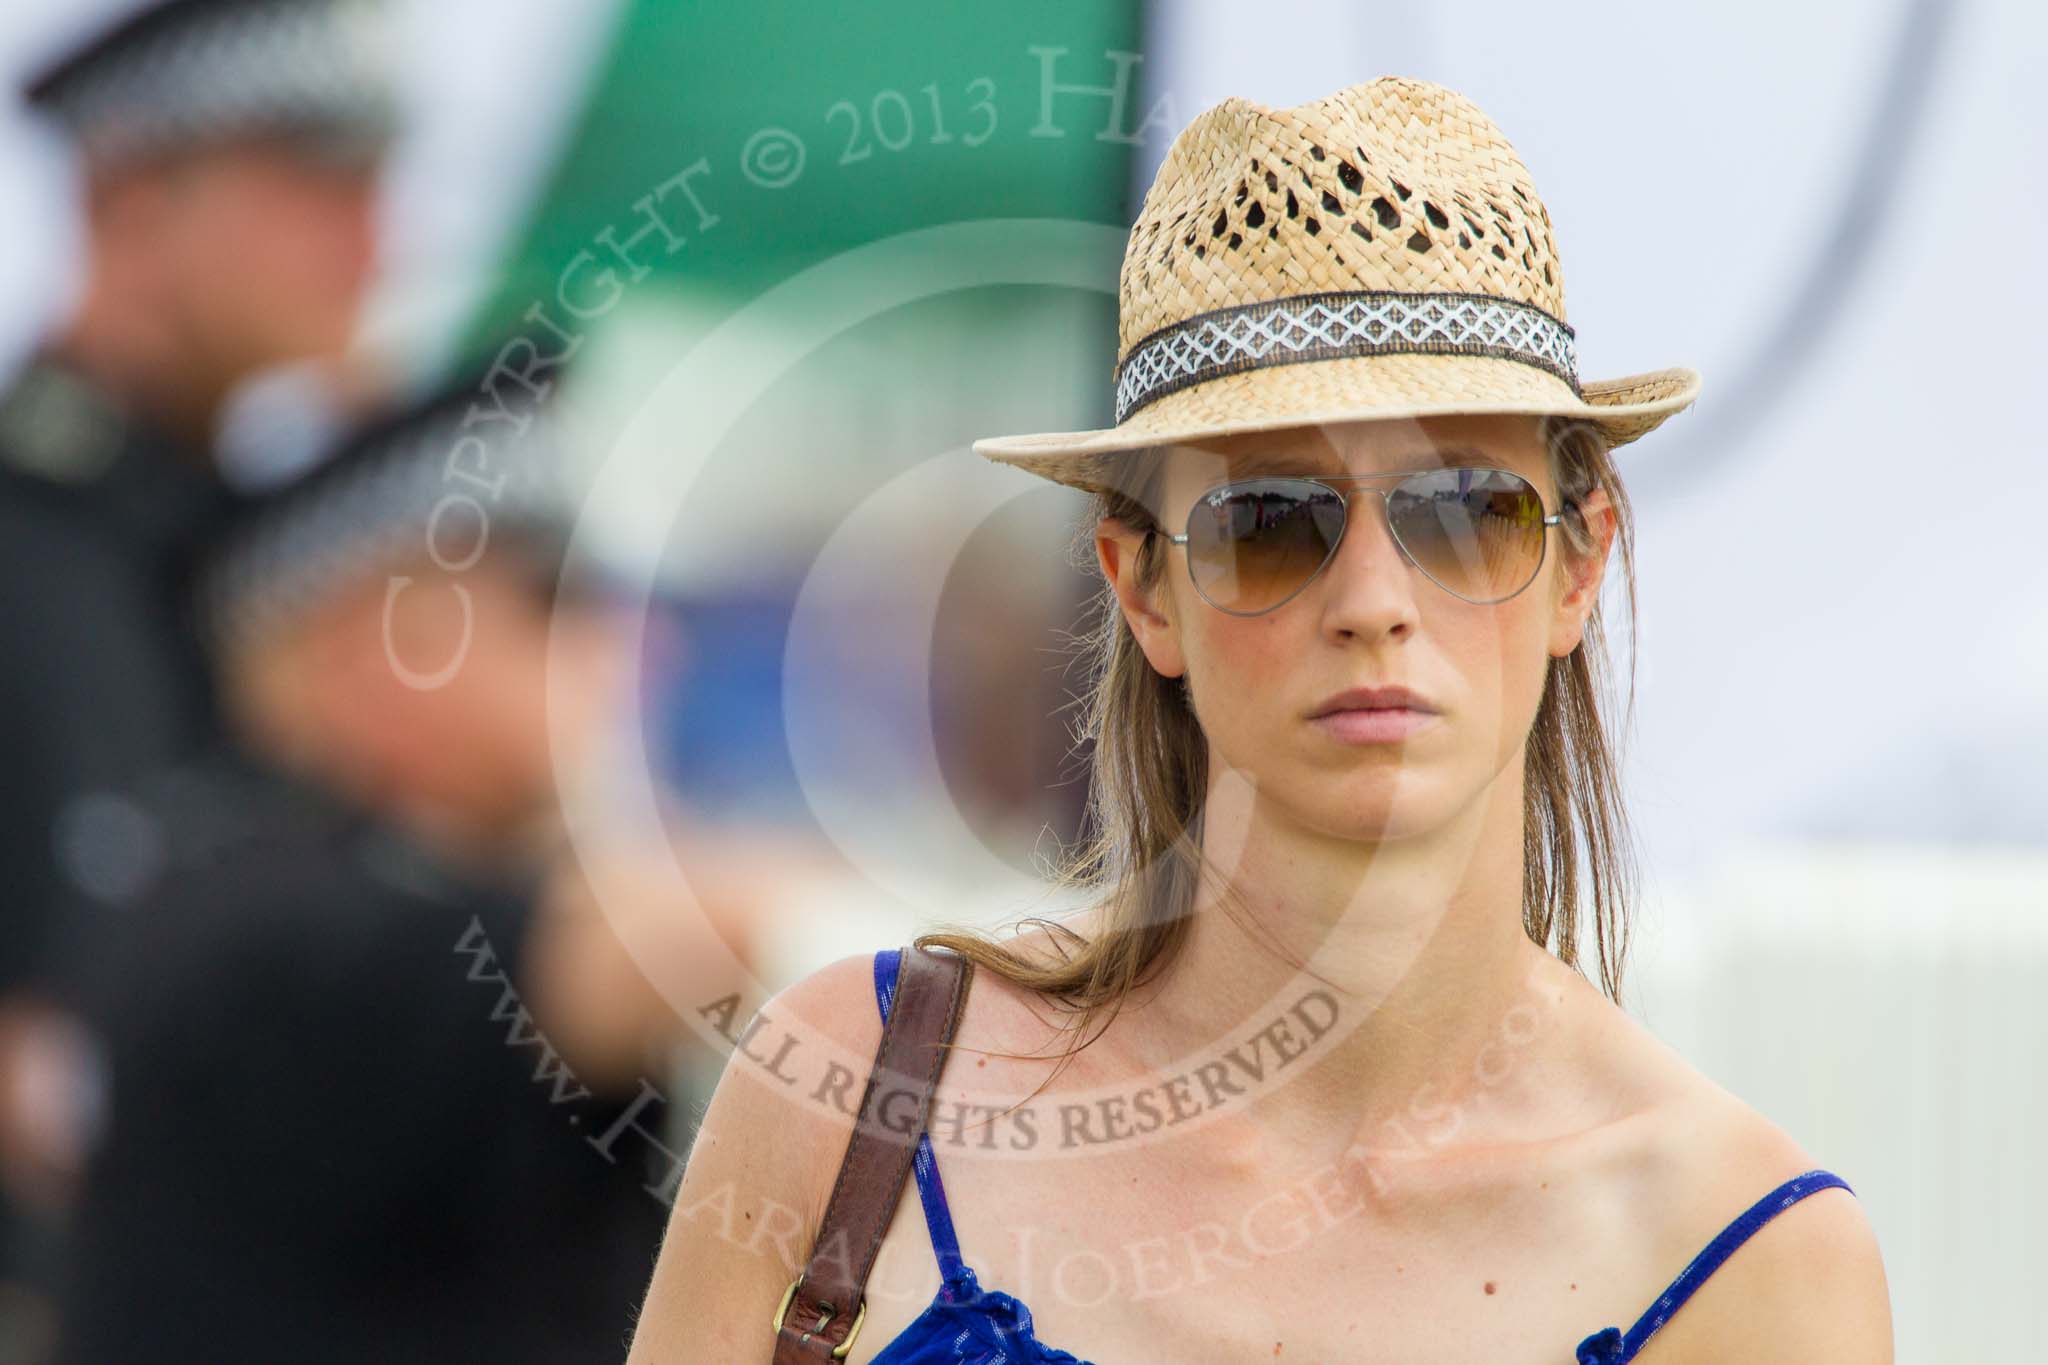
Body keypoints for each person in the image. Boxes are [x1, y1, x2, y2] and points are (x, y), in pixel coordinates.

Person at [626, 78, 1894, 1362]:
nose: (1372, 601)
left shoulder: (1745, 1259)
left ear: (1578, 565)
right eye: (1269, 523)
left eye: (1463, 508)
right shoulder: (860, 1097)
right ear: (1142, 591)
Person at [49, 367, 764, 1364]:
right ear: (390, 638)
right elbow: (678, 953)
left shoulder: (320, 878)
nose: (628, 641)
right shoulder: (252, 912)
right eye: (552, 594)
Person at [0, 0, 394, 1338]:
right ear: (133, 202)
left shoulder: (243, 567)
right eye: (311, 184)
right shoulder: (29, 546)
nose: (368, 242)